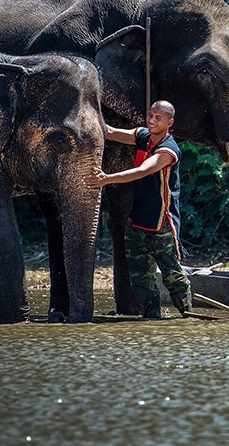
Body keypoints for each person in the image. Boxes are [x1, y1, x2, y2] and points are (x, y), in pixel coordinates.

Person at [83, 100, 193, 319]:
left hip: (160, 224)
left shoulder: (168, 150)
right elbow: (111, 132)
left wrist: (106, 179)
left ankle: (188, 315)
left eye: (157, 118)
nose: (152, 121)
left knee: (173, 277)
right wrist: (87, 115)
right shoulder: (144, 137)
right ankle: (152, 317)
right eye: (150, 116)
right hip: (136, 222)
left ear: (169, 123)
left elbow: (143, 171)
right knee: (140, 277)